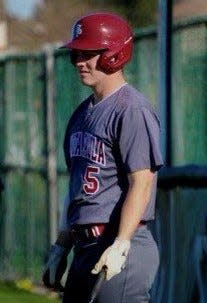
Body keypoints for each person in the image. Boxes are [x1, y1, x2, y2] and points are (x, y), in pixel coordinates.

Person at [42, 11, 164, 303]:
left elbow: (141, 183)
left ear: (115, 54)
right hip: (85, 247)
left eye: (89, 53)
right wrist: (62, 244)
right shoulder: (80, 116)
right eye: (76, 55)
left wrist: (121, 244)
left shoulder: (131, 110)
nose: (80, 62)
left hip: (121, 244)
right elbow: (77, 188)